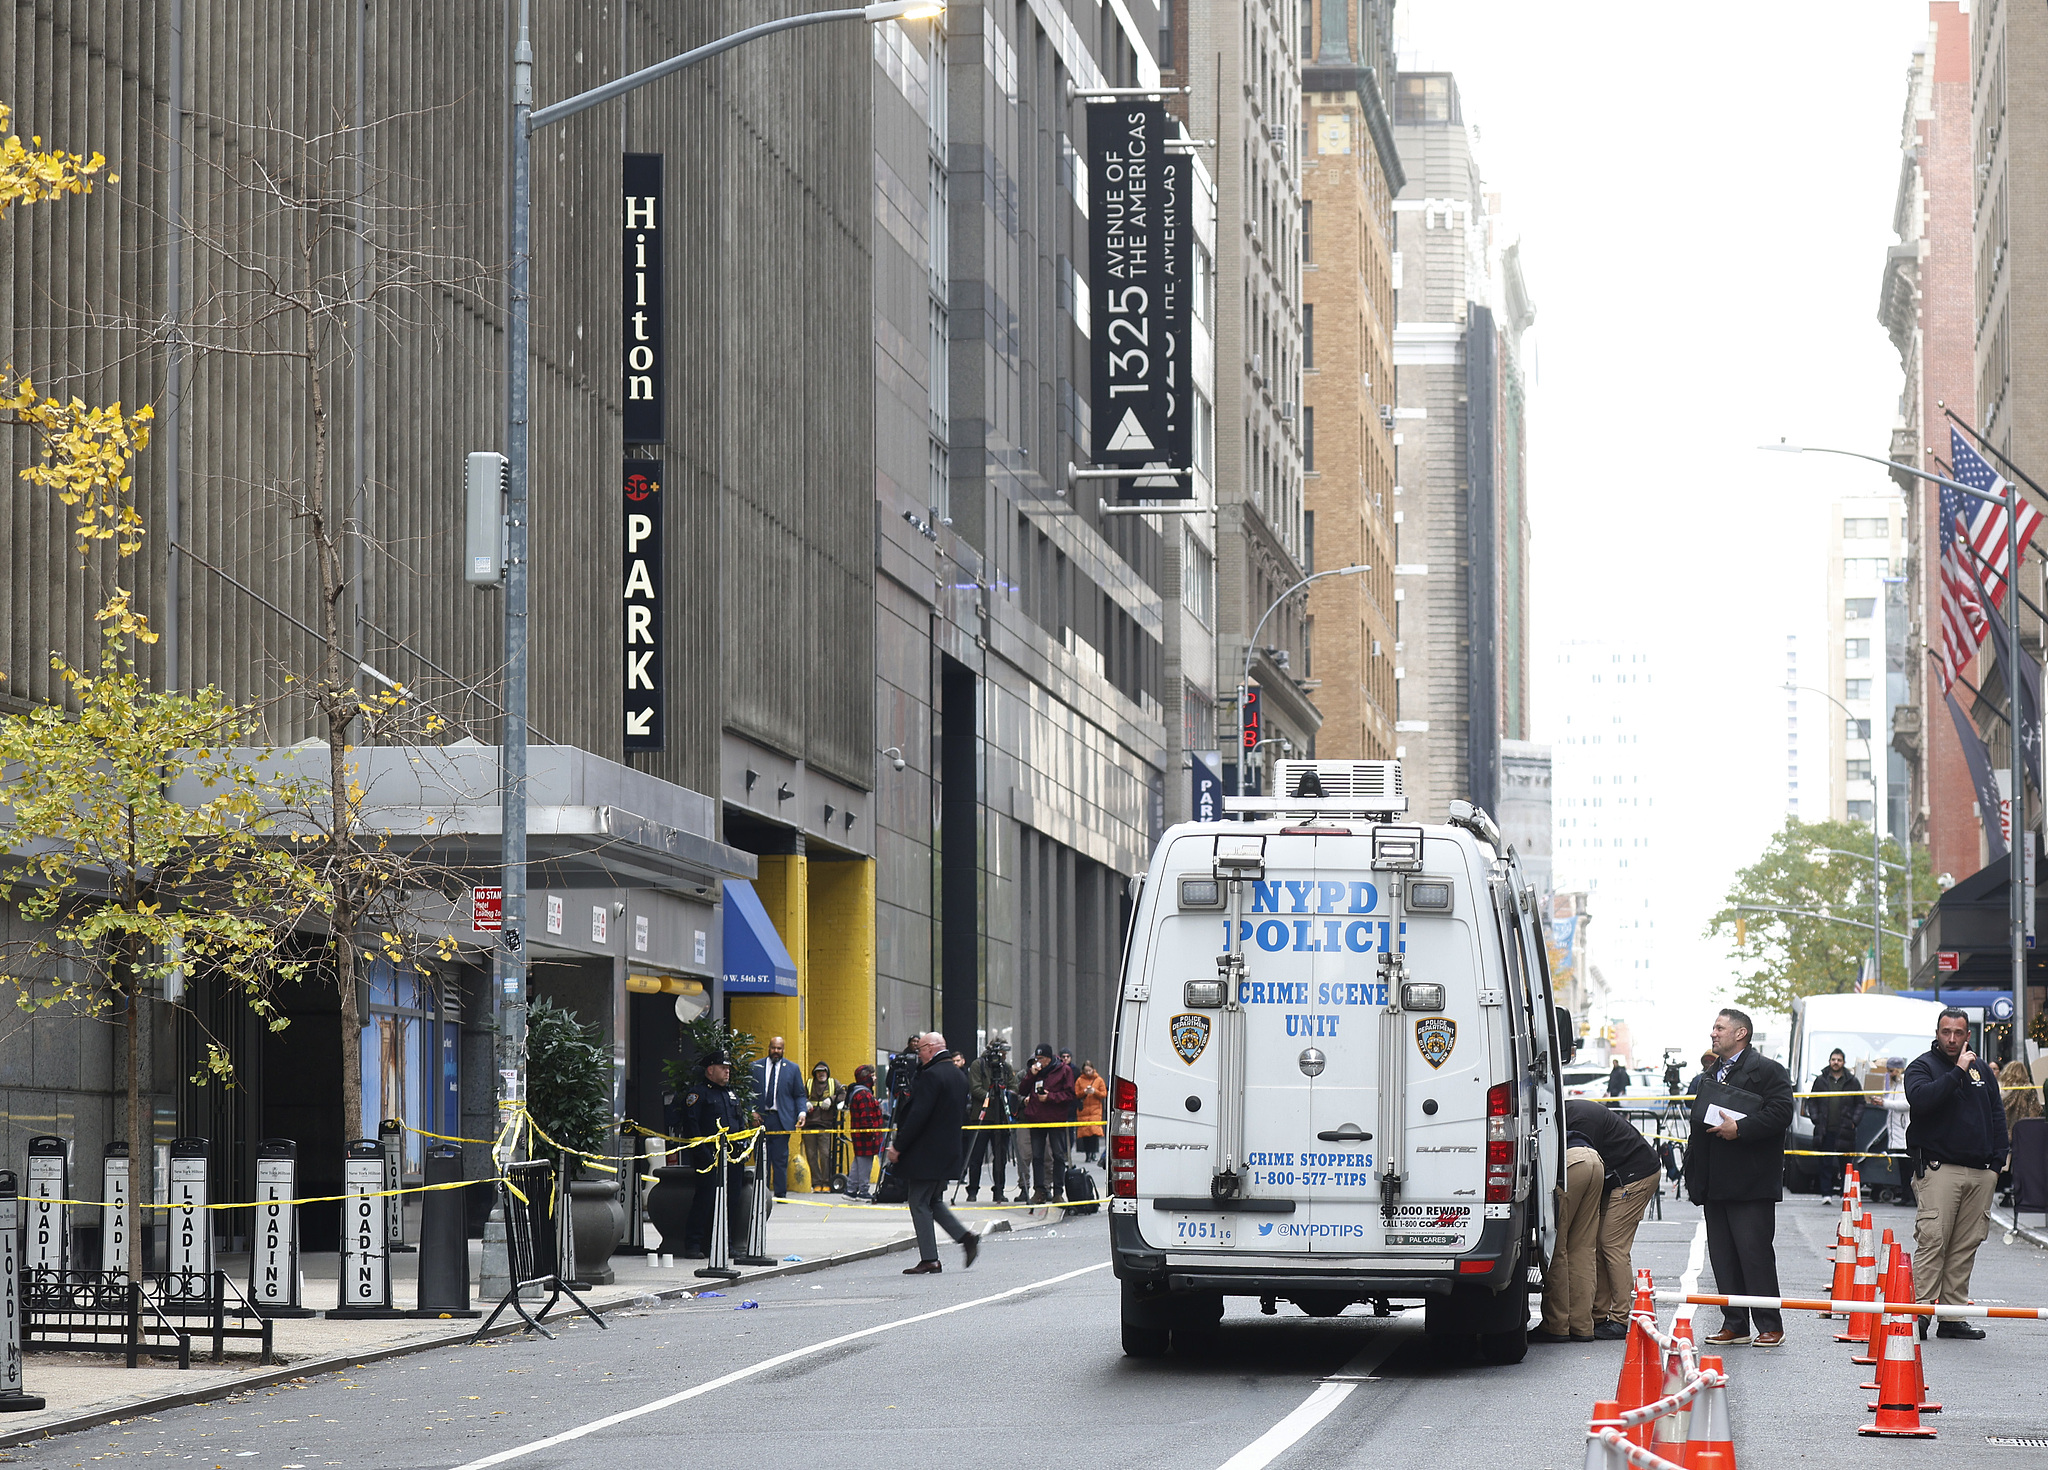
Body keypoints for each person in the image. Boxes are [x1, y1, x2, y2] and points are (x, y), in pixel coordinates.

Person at [1685, 1006, 1795, 1348]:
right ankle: (1735, 1323)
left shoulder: (1768, 1071)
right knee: (1723, 1256)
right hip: (1715, 1182)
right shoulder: (1709, 1074)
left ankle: (1769, 1324)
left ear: (1740, 1034)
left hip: (1751, 1182)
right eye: (1713, 1028)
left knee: (1755, 1254)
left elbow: (1781, 1113)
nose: (1713, 1033)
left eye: (1719, 1028)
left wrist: (1741, 1128)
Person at [1904, 1007, 2010, 1340]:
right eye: (1946, 1032)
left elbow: (1996, 1113)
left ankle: (1951, 1317)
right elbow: (1921, 1101)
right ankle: (1919, 1314)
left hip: (1981, 1171)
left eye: (1959, 1033)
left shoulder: (1982, 1070)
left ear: (1968, 1035)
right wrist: (1957, 1072)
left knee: (1966, 1244)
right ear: (1937, 1033)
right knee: (1933, 1240)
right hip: (1939, 1168)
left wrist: (1997, 1163)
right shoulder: (1923, 1066)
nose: (1952, 1039)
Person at [1569, 1098, 1663, 1338]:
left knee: (1612, 1244)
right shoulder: (1575, 1113)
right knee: (1599, 1243)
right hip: (1620, 1175)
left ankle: (1621, 1318)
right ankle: (1599, 1314)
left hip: (1634, 1176)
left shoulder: (1579, 1121)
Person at [888, 1031, 979, 1273]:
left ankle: (930, 1258)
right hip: (947, 1150)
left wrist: (898, 1146)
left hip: (926, 1153)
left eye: (920, 1050)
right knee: (934, 1200)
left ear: (930, 1048)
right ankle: (965, 1237)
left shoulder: (932, 1075)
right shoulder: (958, 1075)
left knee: (918, 1201)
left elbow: (918, 1116)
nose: (918, 1055)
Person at [1533, 1132, 1604, 1343]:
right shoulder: (1574, 1112)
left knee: (1556, 1247)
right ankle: (1582, 1325)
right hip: (1596, 1162)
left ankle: (1556, 1325)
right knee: (1583, 1249)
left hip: (1569, 1162)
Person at [677, 1049, 747, 1258]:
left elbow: (739, 1122)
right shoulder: (698, 1094)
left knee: (731, 1200)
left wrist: (743, 1148)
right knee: (705, 1200)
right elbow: (693, 1127)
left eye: (728, 1069)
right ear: (710, 1070)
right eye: (723, 1068)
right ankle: (694, 1244)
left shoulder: (730, 1094)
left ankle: (724, 1243)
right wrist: (704, 1155)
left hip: (732, 1158)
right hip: (709, 1158)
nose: (727, 1072)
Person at [749, 1035, 810, 1197]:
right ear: (768, 1048)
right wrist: (751, 1111)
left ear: (783, 1050)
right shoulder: (755, 1067)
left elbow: (799, 1094)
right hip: (760, 1118)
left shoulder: (792, 1069)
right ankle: (762, 1194)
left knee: (780, 1159)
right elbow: (746, 1093)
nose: (776, 1051)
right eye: (773, 1048)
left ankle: (780, 1194)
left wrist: (801, 1113)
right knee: (761, 1157)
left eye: (779, 1048)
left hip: (781, 1119)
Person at [1017, 1043, 1076, 1203]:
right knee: (1037, 1156)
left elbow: (1070, 1095)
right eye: (1037, 1058)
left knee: (1057, 1155)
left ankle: (1058, 1191)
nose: (1038, 1062)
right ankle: (1039, 1191)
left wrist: (1051, 1097)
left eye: (1041, 1059)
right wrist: (1031, 1074)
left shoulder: (1064, 1070)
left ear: (1049, 1058)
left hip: (1055, 1118)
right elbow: (1022, 1090)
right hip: (1036, 1118)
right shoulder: (1035, 1071)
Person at [1805, 1048, 1865, 1199]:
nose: (1836, 1062)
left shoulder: (1852, 1081)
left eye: (1839, 1060)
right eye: (1833, 1060)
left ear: (1844, 1062)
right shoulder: (1821, 1080)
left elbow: (1860, 1103)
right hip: (1825, 1130)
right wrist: (1815, 1118)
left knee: (1846, 1164)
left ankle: (1845, 1194)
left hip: (1845, 1130)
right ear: (1829, 1061)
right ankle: (1826, 1194)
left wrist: (1854, 1121)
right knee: (1825, 1163)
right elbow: (1812, 1101)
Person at [964, 1039, 1017, 1202]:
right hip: (981, 1116)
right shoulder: (977, 1065)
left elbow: (1014, 1087)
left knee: (1000, 1157)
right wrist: (991, 1096)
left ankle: (999, 1191)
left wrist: (1005, 1096)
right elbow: (975, 1088)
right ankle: (972, 1191)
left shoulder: (1006, 1068)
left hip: (1001, 1117)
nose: (1003, 1056)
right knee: (976, 1156)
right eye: (1001, 1053)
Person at [844, 1064, 886, 1199]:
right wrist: (872, 1134)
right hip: (865, 1137)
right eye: (872, 1075)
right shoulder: (864, 1094)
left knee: (858, 1161)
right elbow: (866, 1117)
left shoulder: (859, 1092)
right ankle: (863, 1191)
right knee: (864, 1164)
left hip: (861, 1135)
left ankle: (851, 1190)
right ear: (866, 1077)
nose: (874, 1079)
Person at [803, 1062, 841, 1192]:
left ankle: (826, 1182)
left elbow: (843, 1092)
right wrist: (806, 1103)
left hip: (825, 1124)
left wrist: (832, 1099)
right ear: (815, 1073)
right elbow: (800, 1096)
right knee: (811, 1154)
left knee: (825, 1154)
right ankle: (816, 1183)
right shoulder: (808, 1083)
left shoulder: (832, 1083)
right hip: (809, 1124)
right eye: (818, 1071)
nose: (821, 1074)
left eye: (823, 1071)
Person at [1074, 1061, 1109, 1164]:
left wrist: (1095, 1092)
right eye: (1086, 1071)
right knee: (1085, 1134)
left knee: (1094, 1133)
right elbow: (1076, 1093)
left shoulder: (1099, 1080)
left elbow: (1104, 1094)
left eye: (1090, 1070)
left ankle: (1093, 1152)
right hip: (1084, 1110)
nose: (1088, 1072)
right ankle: (1087, 1154)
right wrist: (1084, 1092)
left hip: (1095, 1110)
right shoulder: (1080, 1080)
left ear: (1093, 1070)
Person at [2001, 1059, 2041, 1133]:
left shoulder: (2000, 1090)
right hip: (2024, 1131)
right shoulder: (2028, 1089)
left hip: (2004, 1132)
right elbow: (2035, 1111)